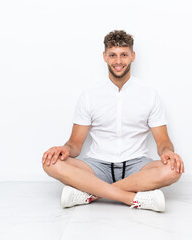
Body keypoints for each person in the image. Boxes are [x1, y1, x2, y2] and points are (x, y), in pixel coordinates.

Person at [42, 30, 184, 212]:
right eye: (113, 55)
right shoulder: (89, 95)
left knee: (173, 169)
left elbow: (163, 141)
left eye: (124, 55)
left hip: (137, 166)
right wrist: (64, 149)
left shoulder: (149, 94)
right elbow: (75, 144)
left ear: (133, 56)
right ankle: (131, 198)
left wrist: (168, 152)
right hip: (96, 166)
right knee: (50, 163)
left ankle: (91, 193)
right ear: (105, 57)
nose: (118, 61)